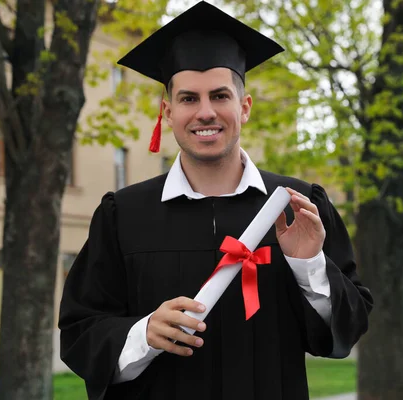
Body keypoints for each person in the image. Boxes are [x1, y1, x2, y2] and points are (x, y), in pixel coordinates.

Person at [58, 2, 373, 400]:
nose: (205, 112)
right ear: (168, 113)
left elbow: (347, 328)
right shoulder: (124, 215)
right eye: (189, 99)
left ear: (244, 108)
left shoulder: (296, 208)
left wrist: (307, 265)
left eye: (220, 96)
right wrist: (144, 333)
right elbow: (79, 330)